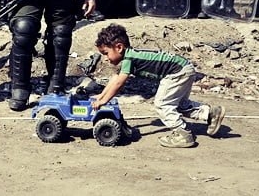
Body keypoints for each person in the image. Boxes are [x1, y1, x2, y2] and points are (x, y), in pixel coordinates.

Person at [92, 24, 226, 148]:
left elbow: (119, 83)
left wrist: (104, 101)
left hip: (177, 72)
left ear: (119, 47)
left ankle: (183, 135)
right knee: (178, 104)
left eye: (105, 53)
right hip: (184, 68)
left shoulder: (129, 58)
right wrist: (101, 95)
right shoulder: (129, 57)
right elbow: (115, 78)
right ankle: (210, 113)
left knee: (162, 104)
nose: (105, 58)